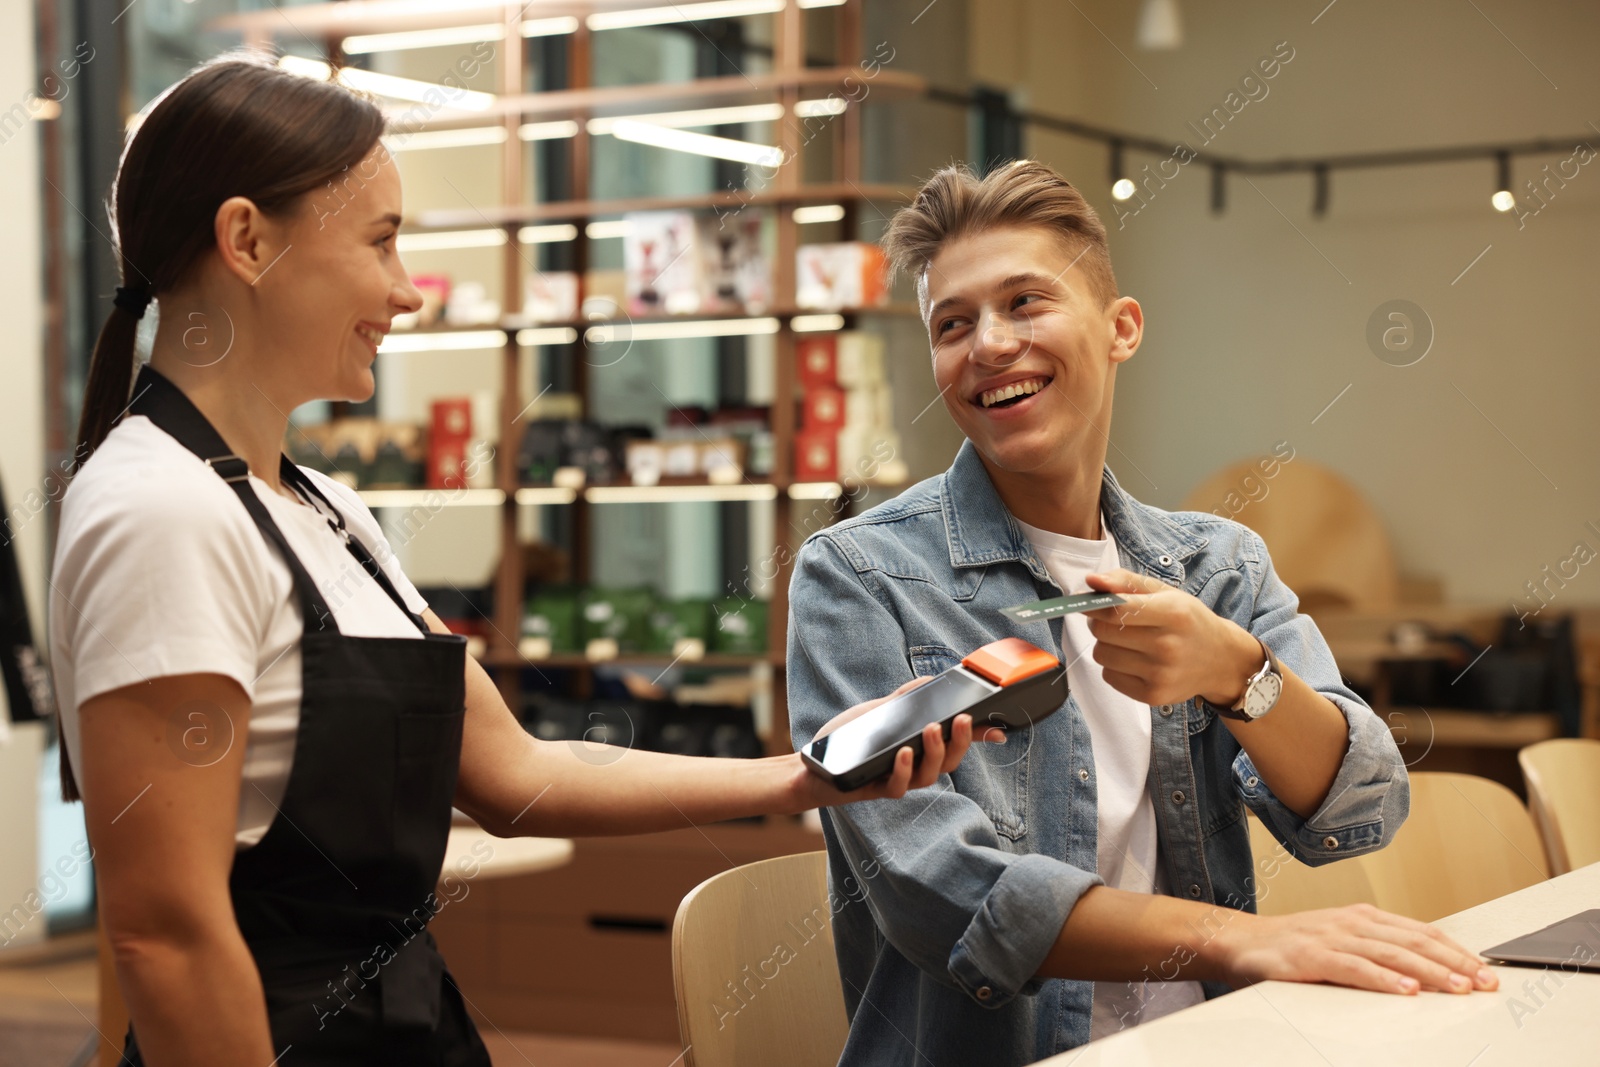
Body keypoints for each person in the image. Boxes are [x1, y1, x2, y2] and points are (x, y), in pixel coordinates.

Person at [49, 53, 991, 1066]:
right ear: (246, 239)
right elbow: (169, 937)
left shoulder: (329, 510)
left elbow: (516, 772)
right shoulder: (157, 512)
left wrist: (798, 777)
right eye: (382, 242)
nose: (407, 292)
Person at [786, 159, 1501, 1065]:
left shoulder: (1217, 564)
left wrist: (1240, 676)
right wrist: (1235, 937)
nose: (989, 345)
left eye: (1025, 302)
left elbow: (1361, 806)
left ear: (1122, 329)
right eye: (952, 324)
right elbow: (940, 887)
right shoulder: (857, 572)